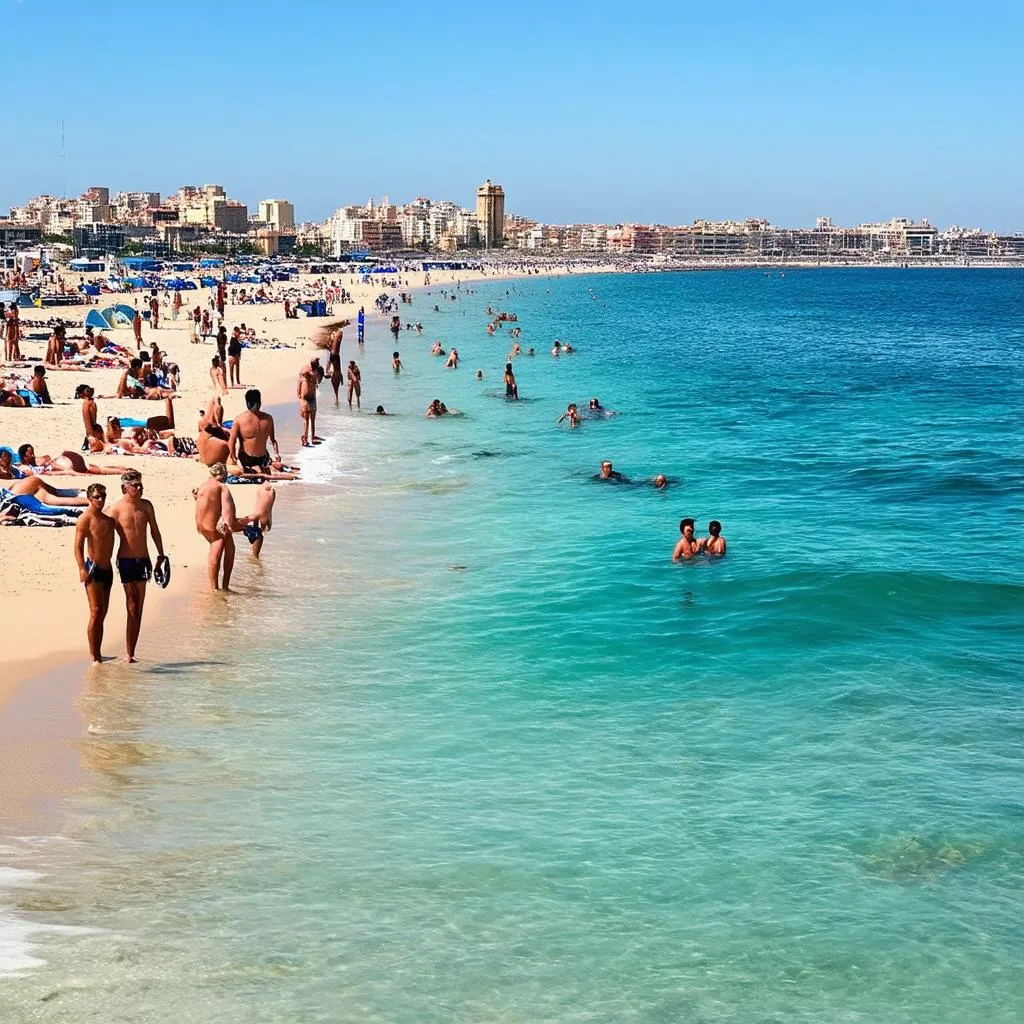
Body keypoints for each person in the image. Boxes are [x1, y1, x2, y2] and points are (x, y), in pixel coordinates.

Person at [109, 470, 165, 662]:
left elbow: (155, 531)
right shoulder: (115, 509)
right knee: (132, 605)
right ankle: (129, 652)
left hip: (144, 560)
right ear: (125, 487)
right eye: (136, 485)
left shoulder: (146, 506)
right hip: (125, 561)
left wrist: (161, 555)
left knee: (138, 607)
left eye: (141, 485)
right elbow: (104, 535)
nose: (140, 488)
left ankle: (131, 653)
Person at [74, 483, 116, 663]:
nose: (100, 500)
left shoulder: (109, 521)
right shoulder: (85, 518)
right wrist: (82, 568)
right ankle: (95, 656)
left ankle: (99, 651)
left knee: (103, 613)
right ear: (90, 498)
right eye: (97, 497)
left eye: (103, 497)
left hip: (108, 569)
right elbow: (77, 546)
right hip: (93, 568)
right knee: (96, 612)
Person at [194, 463, 243, 591]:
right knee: (215, 556)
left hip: (201, 526)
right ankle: (215, 588)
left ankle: (225, 587)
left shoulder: (203, 486)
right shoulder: (222, 487)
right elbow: (229, 516)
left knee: (230, 548)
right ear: (222, 475)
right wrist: (241, 527)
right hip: (213, 527)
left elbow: (206, 504)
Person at [228, 388, 280, 474]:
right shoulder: (268, 418)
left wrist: (233, 458)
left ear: (247, 403)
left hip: (255, 458)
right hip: (256, 458)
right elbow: (273, 440)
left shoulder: (239, 419)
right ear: (260, 402)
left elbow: (231, 441)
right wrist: (277, 454)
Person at [242, 483, 276, 559]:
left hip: (253, 517)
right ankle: (255, 561)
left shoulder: (259, 488)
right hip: (261, 519)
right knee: (255, 555)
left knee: (253, 539)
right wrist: (269, 521)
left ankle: (253, 558)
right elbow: (269, 509)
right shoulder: (272, 491)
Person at [298, 358, 321, 446]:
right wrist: (298, 393)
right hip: (305, 398)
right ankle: (305, 437)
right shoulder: (306, 371)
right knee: (306, 419)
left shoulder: (315, 372)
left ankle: (313, 436)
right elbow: (301, 377)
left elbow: (318, 380)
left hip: (312, 397)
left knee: (313, 418)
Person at [327, 328, 343, 404]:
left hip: (334, 356)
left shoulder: (333, 353)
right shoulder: (335, 354)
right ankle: (336, 400)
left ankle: (336, 400)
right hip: (335, 356)